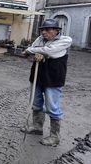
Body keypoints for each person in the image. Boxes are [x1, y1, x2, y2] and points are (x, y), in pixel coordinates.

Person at [21, 18, 72, 146]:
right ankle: (37, 127)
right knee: (36, 102)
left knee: (52, 107)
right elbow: (34, 52)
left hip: (53, 78)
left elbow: (49, 51)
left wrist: (31, 51)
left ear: (56, 31)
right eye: (42, 29)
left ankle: (55, 137)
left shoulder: (65, 40)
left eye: (47, 30)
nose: (44, 32)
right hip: (37, 75)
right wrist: (35, 53)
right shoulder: (39, 39)